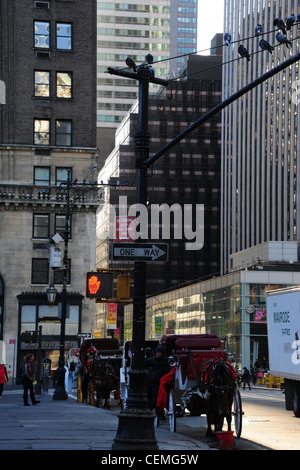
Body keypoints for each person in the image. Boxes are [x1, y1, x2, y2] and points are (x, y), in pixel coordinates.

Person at [145, 345, 170, 411]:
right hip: (151, 381)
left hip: (159, 382)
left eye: (158, 352)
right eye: (155, 352)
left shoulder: (166, 361)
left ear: (162, 353)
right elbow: (145, 363)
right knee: (149, 395)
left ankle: (150, 409)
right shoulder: (152, 360)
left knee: (155, 398)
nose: (156, 353)